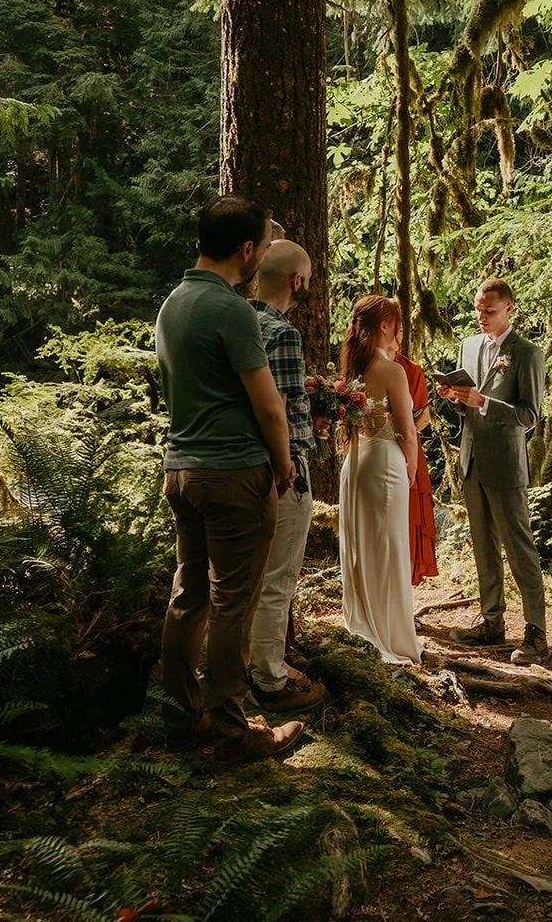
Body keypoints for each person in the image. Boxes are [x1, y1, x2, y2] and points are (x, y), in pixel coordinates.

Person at [155, 195, 302, 763]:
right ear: (246, 250)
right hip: (235, 473)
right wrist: (284, 461)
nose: (263, 254)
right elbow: (269, 408)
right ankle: (232, 732)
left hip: (182, 471)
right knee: (232, 604)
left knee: (187, 597)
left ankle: (181, 718)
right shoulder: (233, 310)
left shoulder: (172, 304)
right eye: (263, 245)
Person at [440, 279, 550, 665]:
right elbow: (465, 409)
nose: (481, 317)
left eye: (489, 311)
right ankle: (492, 621)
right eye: (477, 309)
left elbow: (529, 416)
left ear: (509, 309)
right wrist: (455, 399)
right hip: (471, 458)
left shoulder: (526, 353)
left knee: (519, 548)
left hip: (505, 463)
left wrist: (485, 402)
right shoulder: (469, 346)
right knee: (483, 545)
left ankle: (536, 632)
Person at [245, 240, 327, 714]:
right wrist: (293, 464)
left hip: (239, 467)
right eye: (307, 279)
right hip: (282, 472)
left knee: (243, 579)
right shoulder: (282, 333)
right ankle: (270, 678)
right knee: (278, 579)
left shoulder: (237, 322)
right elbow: (285, 412)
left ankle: (242, 669)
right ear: (296, 280)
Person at [338, 295, 423, 664]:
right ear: (385, 326)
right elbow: (407, 429)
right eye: (395, 325)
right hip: (384, 463)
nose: (398, 333)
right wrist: (412, 466)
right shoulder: (392, 371)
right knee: (389, 550)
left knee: (362, 547)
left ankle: (366, 624)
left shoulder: (352, 368)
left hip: (356, 462)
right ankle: (393, 636)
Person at [394, 325, 439, 585]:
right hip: (374, 451)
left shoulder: (412, 370)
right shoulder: (362, 365)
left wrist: (403, 431)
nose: (397, 336)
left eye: (401, 330)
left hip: (408, 449)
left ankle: (404, 591)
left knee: (411, 519)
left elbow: (423, 416)